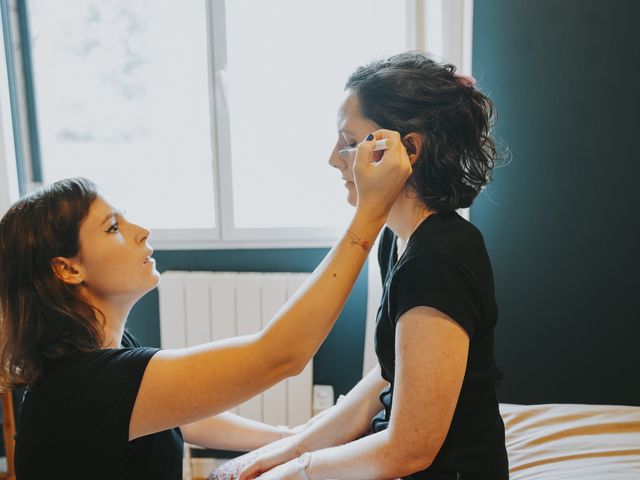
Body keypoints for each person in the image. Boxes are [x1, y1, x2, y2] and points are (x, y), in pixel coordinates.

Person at [0, 130, 411, 479]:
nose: (142, 231)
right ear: (67, 269)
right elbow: (279, 355)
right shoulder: (88, 384)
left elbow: (182, 410)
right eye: (113, 228)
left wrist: (288, 437)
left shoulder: (100, 349)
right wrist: (369, 212)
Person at [226, 52, 509, 479]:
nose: (334, 158)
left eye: (349, 142)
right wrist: (290, 448)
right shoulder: (399, 241)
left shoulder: (438, 259)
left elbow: (408, 450)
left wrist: (297, 471)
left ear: (408, 148)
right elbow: (391, 375)